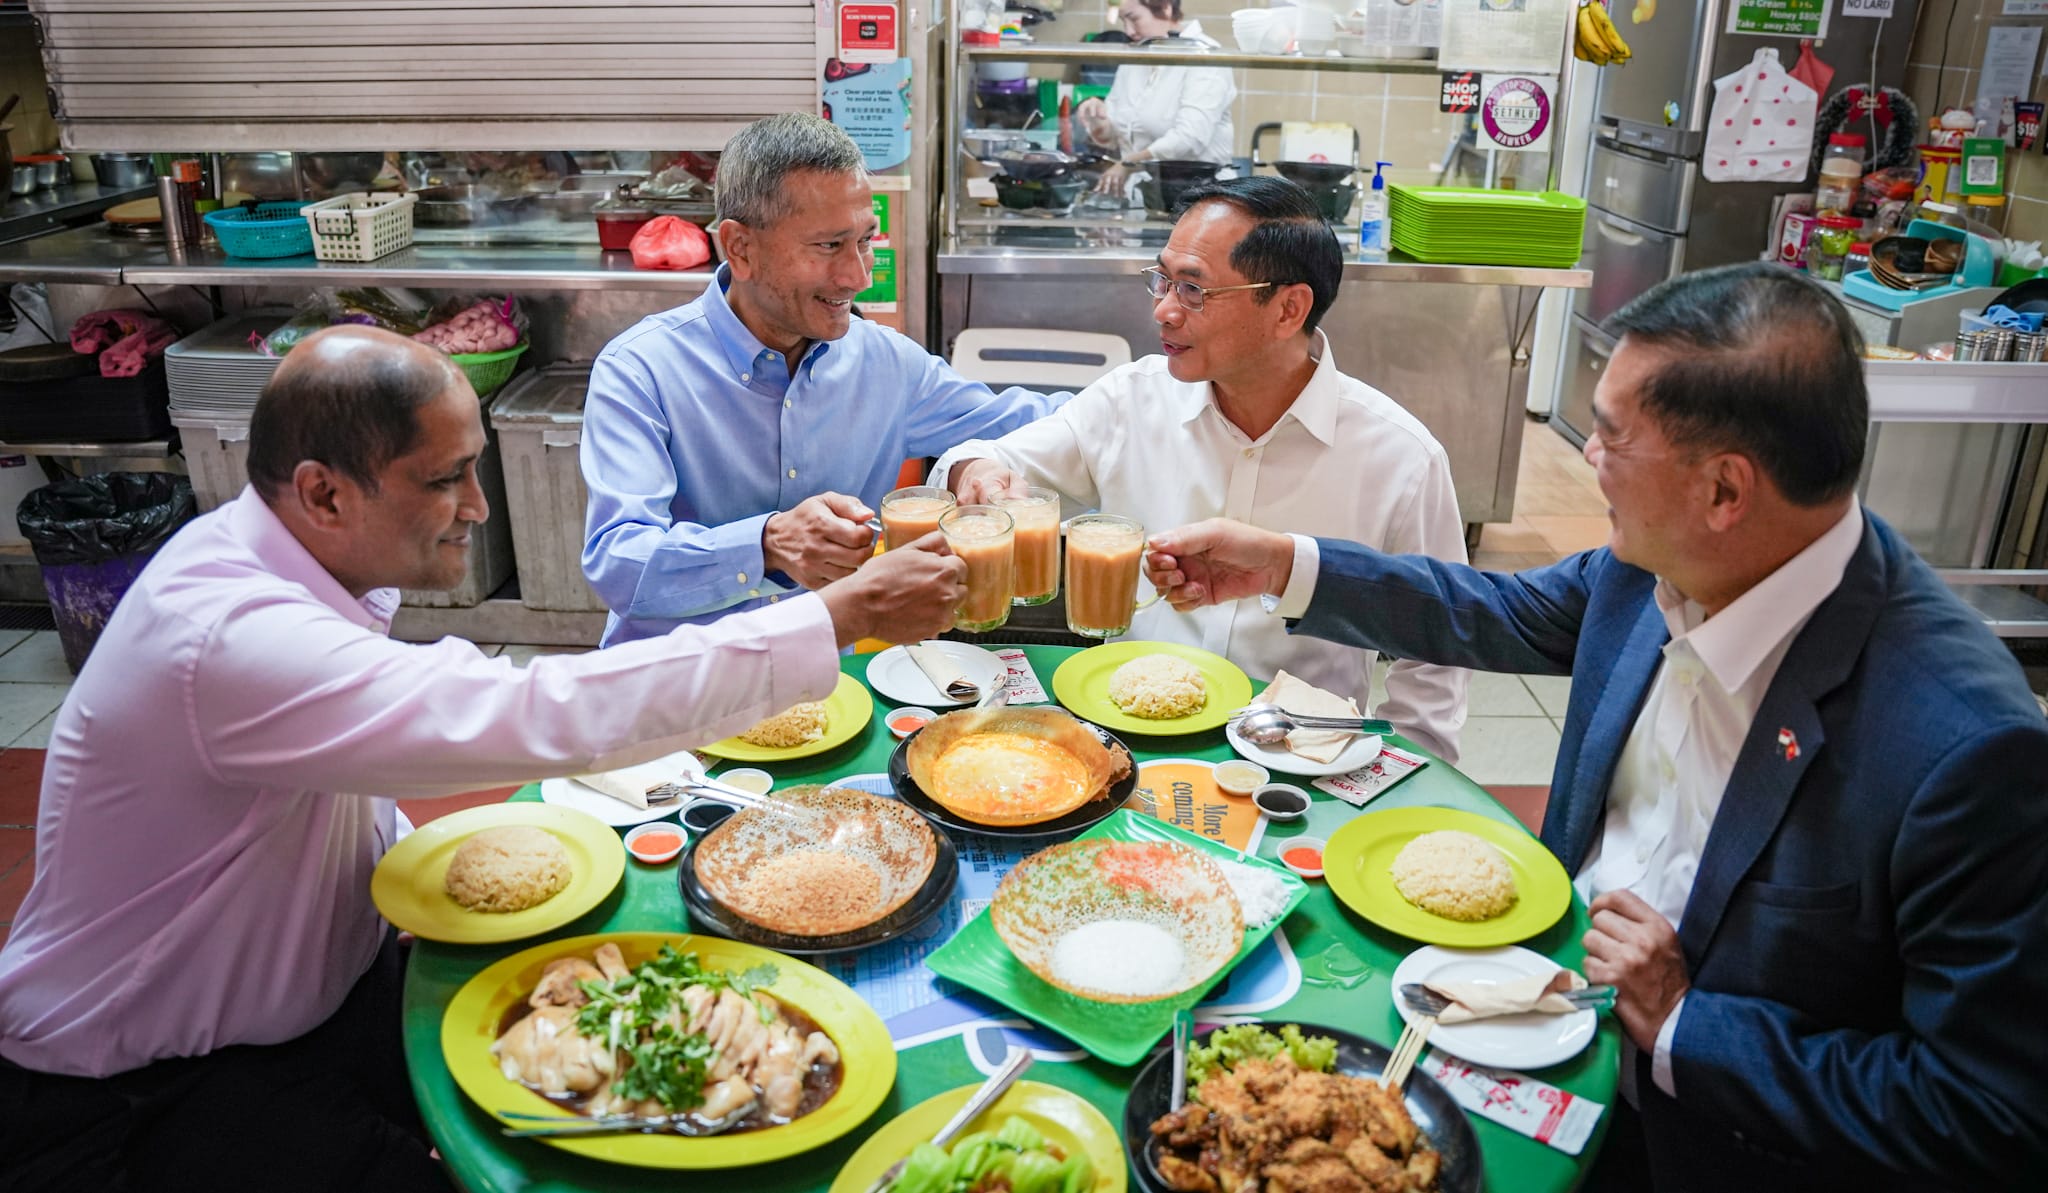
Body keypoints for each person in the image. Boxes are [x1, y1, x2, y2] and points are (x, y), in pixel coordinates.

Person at [1142, 262, 2048, 1189]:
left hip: (1710, 1138)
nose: (1585, 459)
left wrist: (1689, 1020)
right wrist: (1283, 565)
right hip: (1536, 1023)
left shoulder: (1964, 747)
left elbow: (1988, 1111)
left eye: (1612, 438)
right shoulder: (1647, 569)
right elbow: (1487, 609)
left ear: (1725, 491)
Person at [0, 326, 967, 1192]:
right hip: (139, 1092)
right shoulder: (226, 634)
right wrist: (837, 616)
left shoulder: (280, 556)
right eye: (442, 478)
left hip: (332, 989)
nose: (476, 507)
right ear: (323, 492)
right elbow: (522, 712)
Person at [938, 176, 1468, 760]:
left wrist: (1401, 772)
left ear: (1288, 308)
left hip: (1298, 756)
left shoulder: (1400, 457)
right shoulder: (1132, 399)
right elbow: (986, 461)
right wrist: (977, 474)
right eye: (1163, 280)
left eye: (1194, 290)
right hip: (1127, 730)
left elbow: (1437, 653)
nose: (1163, 310)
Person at [581, 112, 1066, 646]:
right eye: (830, 246)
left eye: (866, 240)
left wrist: (1159, 389)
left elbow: (1038, 423)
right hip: (678, 688)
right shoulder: (640, 370)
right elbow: (619, 564)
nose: (858, 276)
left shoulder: (885, 363)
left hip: (824, 693)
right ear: (739, 248)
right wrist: (768, 543)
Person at [1077, 1, 1236, 197]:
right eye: (1123, 21)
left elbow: (1189, 138)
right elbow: (1114, 137)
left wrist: (1129, 163)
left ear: (1166, 8)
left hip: (1199, 196)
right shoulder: (1136, 57)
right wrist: (1097, 119)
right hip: (1144, 196)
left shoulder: (1206, 56)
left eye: (1134, 18)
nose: (1129, 31)